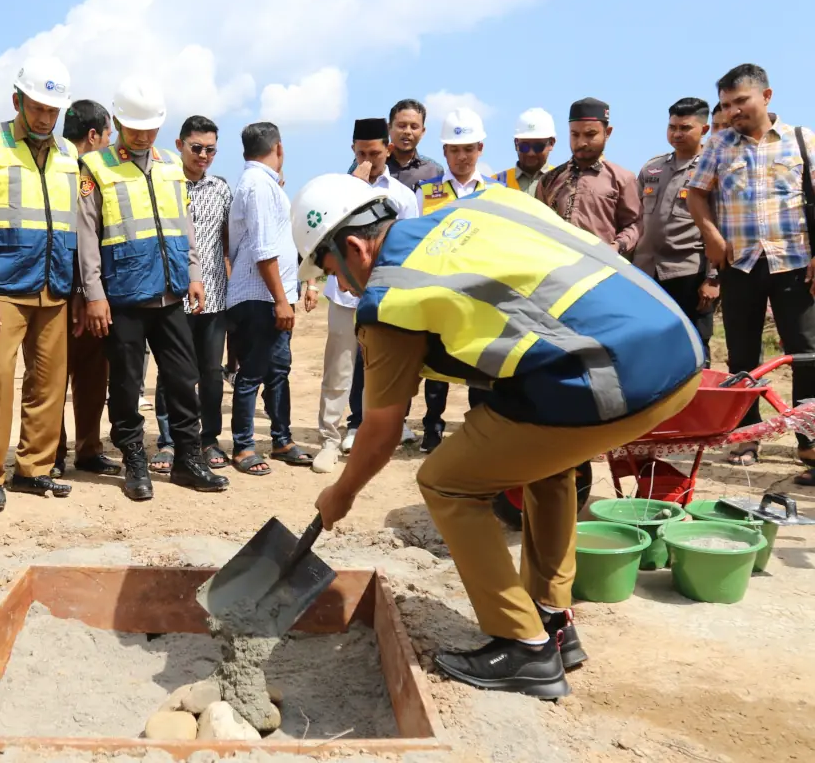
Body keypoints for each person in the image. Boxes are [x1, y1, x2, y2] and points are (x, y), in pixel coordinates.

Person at [293, 174, 702, 699]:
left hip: (610, 380)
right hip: (678, 348)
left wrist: (339, 494)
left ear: (353, 246)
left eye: (332, 272)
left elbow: (380, 430)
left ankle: (525, 647)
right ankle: (553, 622)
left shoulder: (390, 296)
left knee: (444, 481)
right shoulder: (488, 204)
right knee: (542, 457)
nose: (343, 289)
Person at [77, 76, 229, 501]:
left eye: (150, 127)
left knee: (184, 378)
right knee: (126, 384)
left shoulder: (168, 166)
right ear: (119, 122)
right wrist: (94, 294)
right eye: (134, 127)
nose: (143, 135)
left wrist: (195, 273)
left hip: (171, 293)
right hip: (123, 295)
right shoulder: (96, 167)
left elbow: (186, 227)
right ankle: (135, 461)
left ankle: (186, 459)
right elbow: (87, 235)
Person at [0, 57, 80, 510]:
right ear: (17, 101)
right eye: (38, 107)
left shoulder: (69, 154)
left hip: (55, 284)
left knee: (49, 383)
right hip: (5, 285)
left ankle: (34, 468)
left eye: (54, 110)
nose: (46, 117)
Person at [688, 64, 815, 476]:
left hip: (794, 262)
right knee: (743, 356)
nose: (733, 110)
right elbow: (696, 195)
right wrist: (710, 235)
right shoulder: (719, 145)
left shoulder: (802, 141)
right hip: (739, 264)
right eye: (726, 104)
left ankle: (809, 442)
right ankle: (747, 436)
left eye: (740, 101)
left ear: (767, 96)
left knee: (807, 356)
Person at [313, 118, 423, 474]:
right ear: (352, 150)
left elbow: (409, 249)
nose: (368, 159)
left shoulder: (403, 196)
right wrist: (353, 189)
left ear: (388, 150)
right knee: (338, 370)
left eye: (374, 152)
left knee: (380, 368)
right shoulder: (339, 190)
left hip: (383, 298)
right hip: (344, 297)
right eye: (361, 152)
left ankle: (372, 435)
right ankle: (329, 440)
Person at [227, 122, 313, 475]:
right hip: (259, 295)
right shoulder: (258, 186)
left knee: (279, 371)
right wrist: (280, 300)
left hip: (271, 294)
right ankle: (244, 445)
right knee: (252, 372)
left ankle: (281, 439)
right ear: (278, 148)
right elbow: (264, 249)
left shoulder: (264, 184)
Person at [416, 108, 502, 452]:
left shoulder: (497, 191)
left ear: (480, 148)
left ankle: (479, 428)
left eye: (468, 148)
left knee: (481, 363)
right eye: (454, 149)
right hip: (439, 291)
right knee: (438, 363)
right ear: (445, 152)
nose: (462, 156)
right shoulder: (427, 193)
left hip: (482, 293)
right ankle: (432, 427)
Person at [151, 116, 233, 474]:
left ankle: (208, 438)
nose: (203, 155)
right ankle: (169, 441)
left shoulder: (222, 189)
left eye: (210, 149)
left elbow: (228, 243)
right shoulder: (163, 183)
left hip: (214, 297)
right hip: (172, 296)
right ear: (180, 144)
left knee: (211, 374)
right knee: (173, 373)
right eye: (196, 148)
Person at [53, 98, 120, 479]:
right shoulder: (78, 174)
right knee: (54, 376)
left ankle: (87, 448)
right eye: (108, 134)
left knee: (93, 376)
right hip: (68, 291)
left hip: (87, 290)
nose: (109, 143)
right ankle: (56, 451)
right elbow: (82, 236)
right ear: (93, 136)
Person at [635, 98, 716, 366]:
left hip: (689, 273)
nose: (677, 134)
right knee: (650, 344)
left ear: (704, 130)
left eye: (685, 128)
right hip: (647, 272)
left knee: (693, 346)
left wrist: (713, 279)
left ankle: (698, 405)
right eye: (672, 127)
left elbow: (721, 225)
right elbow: (635, 219)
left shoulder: (714, 168)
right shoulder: (652, 168)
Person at [536, 98, 642, 255]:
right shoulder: (550, 179)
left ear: (608, 133)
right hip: (556, 267)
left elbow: (635, 224)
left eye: (590, 134)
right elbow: (538, 223)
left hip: (602, 268)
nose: (581, 142)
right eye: (575, 134)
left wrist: (617, 246)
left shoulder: (622, 179)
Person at [496, 108, 556, 194]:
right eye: (524, 146)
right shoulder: (496, 183)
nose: (531, 153)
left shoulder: (562, 182)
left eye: (538, 146)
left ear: (551, 143)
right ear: (516, 144)